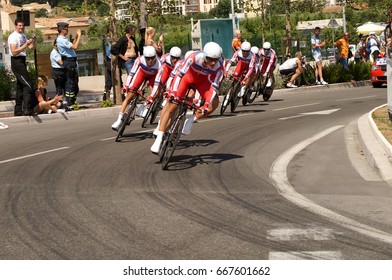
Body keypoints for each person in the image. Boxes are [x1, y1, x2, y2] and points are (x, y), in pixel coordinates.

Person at [150, 42, 224, 154]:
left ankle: (191, 120)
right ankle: (159, 137)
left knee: (214, 103)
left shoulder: (219, 68)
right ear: (204, 56)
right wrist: (173, 92)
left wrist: (206, 104)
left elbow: (214, 88)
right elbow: (179, 75)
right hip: (186, 78)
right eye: (210, 59)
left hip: (202, 82)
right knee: (172, 106)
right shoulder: (193, 57)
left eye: (216, 59)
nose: (213, 63)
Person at [111, 46, 162, 130]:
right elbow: (132, 73)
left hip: (154, 76)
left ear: (155, 56)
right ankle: (119, 120)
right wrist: (127, 86)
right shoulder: (139, 59)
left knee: (156, 93)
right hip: (141, 73)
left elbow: (157, 83)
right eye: (147, 59)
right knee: (129, 95)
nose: (150, 61)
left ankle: (145, 105)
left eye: (152, 58)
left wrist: (151, 98)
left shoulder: (159, 64)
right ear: (144, 57)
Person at [8, 18, 36, 116]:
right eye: (19, 25)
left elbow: (31, 48)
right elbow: (14, 51)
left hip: (22, 62)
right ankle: (27, 109)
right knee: (28, 85)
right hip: (16, 62)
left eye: (22, 25)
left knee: (20, 87)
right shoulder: (13, 36)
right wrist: (25, 45)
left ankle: (18, 110)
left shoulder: (23, 35)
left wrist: (33, 41)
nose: (21, 27)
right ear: (16, 26)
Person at [56, 22, 81, 108]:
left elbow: (72, 45)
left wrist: (76, 37)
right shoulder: (61, 39)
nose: (67, 30)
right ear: (62, 30)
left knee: (74, 82)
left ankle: (72, 101)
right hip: (69, 62)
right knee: (70, 83)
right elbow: (75, 47)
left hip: (71, 61)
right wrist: (80, 36)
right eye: (66, 29)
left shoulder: (64, 39)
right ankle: (70, 103)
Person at [103, 36, 112, 101]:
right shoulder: (108, 40)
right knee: (110, 80)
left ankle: (105, 96)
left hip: (109, 60)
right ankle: (106, 96)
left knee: (109, 80)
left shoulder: (107, 40)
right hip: (110, 60)